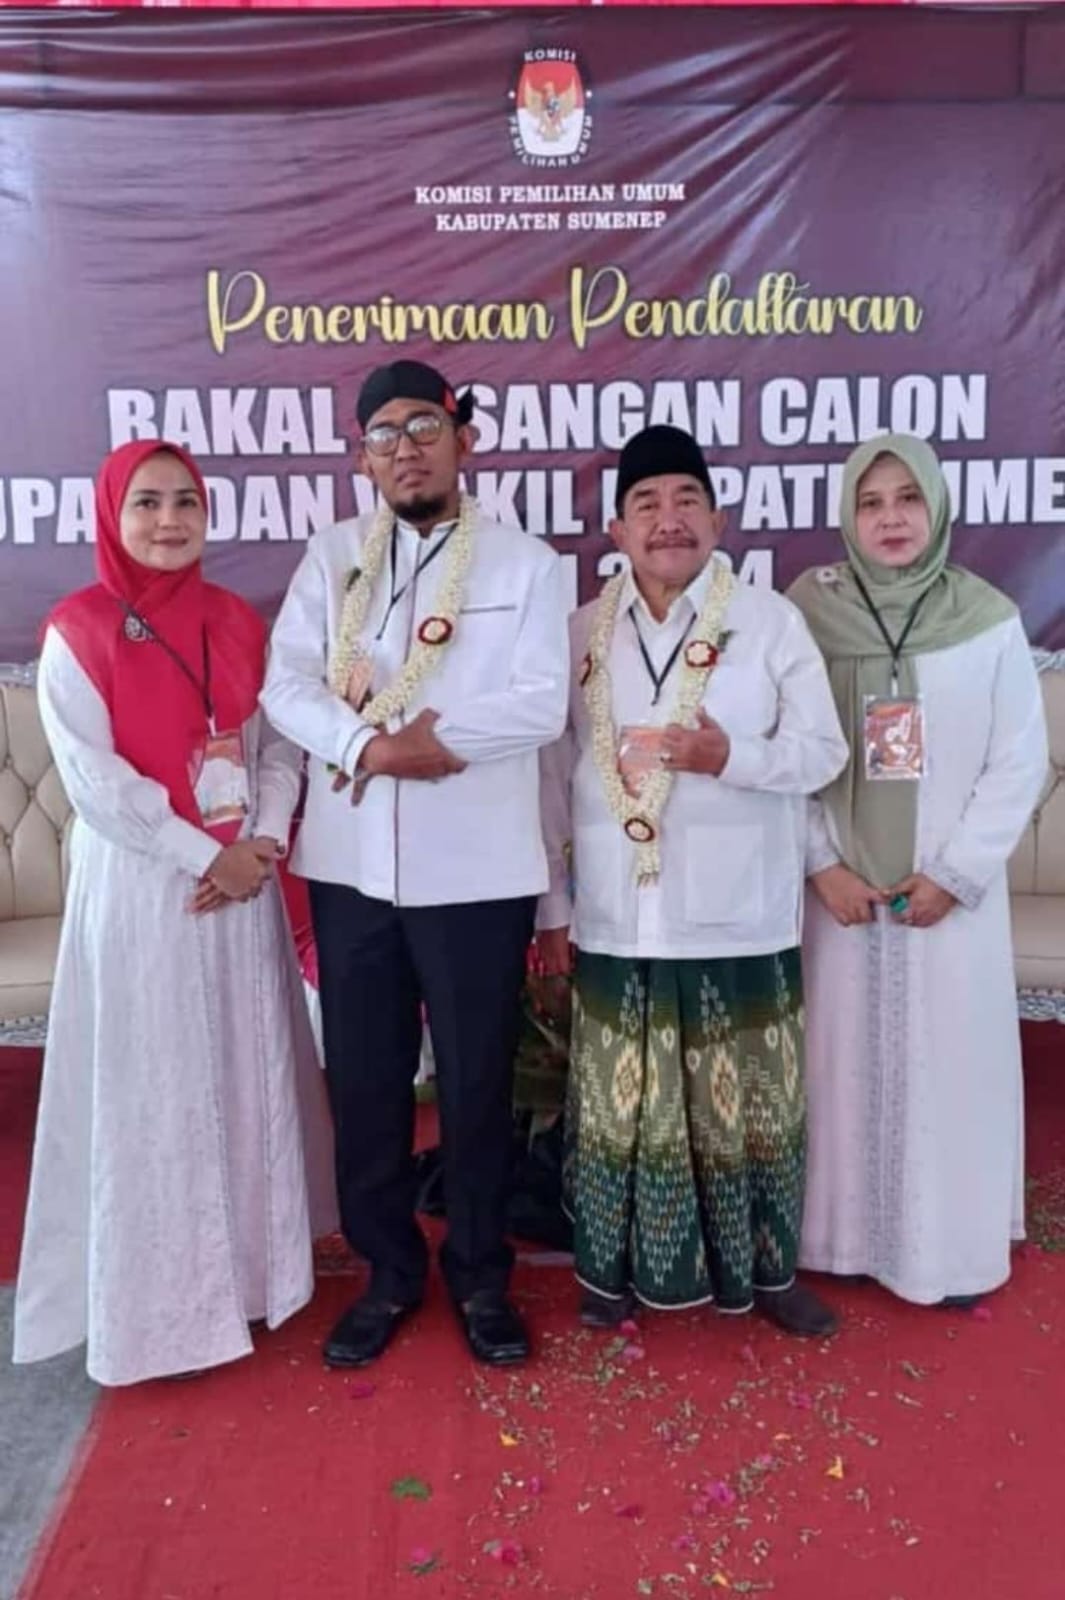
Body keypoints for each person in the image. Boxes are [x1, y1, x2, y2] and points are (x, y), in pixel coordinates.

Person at [261, 359, 568, 1368]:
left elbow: (542, 704)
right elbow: (285, 686)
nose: (406, 449)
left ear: (462, 439)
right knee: (366, 1079)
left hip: (477, 868)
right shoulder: (331, 558)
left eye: (424, 427)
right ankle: (388, 1271)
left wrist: (436, 743)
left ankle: (480, 1275)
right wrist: (368, 748)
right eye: (383, 434)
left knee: (477, 1082)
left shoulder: (527, 565)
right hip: (351, 867)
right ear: (363, 458)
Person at [13, 440, 334, 1387]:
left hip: (241, 887)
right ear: (112, 517)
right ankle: (159, 1303)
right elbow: (95, 783)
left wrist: (260, 842)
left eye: (185, 502)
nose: (168, 521)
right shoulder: (76, 631)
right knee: (154, 1081)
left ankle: (251, 1277)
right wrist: (209, 857)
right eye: (147, 503)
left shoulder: (235, 620)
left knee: (239, 1068)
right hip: (147, 891)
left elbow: (276, 748)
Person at [536, 424, 849, 1336]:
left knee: (750, 1105)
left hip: (739, 913)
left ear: (717, 520)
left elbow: (823, 752)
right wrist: (552, 909)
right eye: (645, 504)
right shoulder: (580, 632)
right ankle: (609, 1273)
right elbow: (551, 777)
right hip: (615, 912)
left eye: (685, 501)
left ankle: (768, 1272)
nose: (667, 520)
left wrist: (730, 757)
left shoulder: (769, 621)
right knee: (619, 1107)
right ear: (616, 531)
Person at [789, 433, 1048, 1306]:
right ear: (846, 515)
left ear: (935, 506)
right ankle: (838, 1241)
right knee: (835, 1066)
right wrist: (820, 864)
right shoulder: (807, 613)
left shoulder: (985, 618)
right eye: (870, 502)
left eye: (907, 498)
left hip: (945, 902)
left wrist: (954, 873)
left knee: (951, 1069)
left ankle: (947, 1252)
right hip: (840, 898)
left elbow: (1018, 760)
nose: (890, 518)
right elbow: (780, 748)